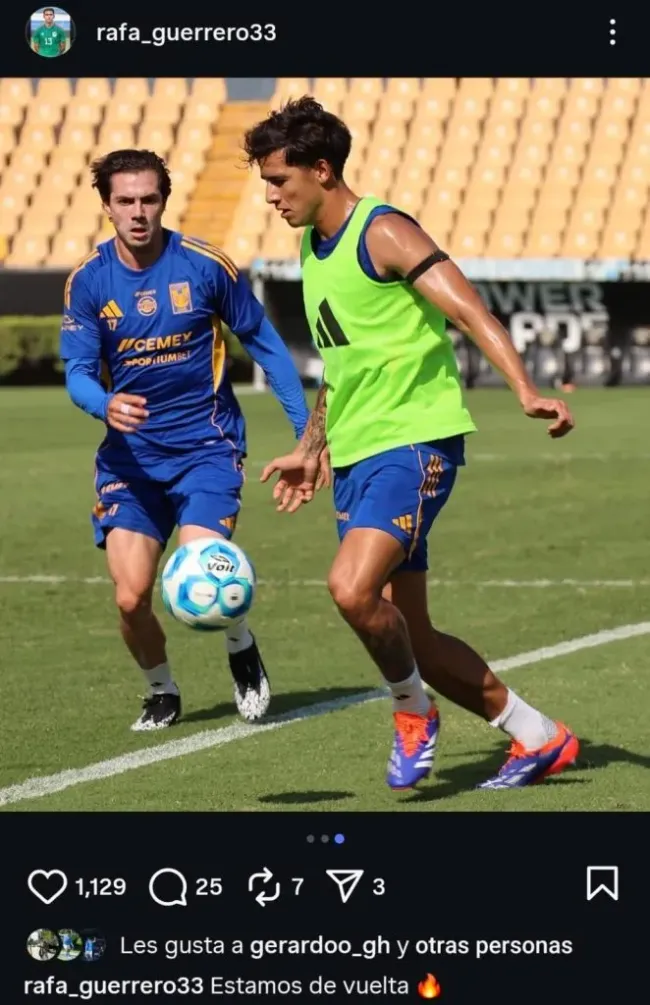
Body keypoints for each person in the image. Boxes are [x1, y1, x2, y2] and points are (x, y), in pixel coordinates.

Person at [244, 96, 580, 791]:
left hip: (416, 444)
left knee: (349, 586)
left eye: (280, 180)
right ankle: (537, 735)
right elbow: (342, 364)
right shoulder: (310, 245)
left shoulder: (384, 230)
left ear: (322, 168)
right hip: (359, 452)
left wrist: (523, 388)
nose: (271, 196)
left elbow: (468, 308)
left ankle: (411, 713)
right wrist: (314, 445)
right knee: (411, 636)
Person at [59, 148, 317, 731]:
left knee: (205, 565)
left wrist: (306, 433)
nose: (138, 211)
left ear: (164, 201)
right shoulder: (88, 282)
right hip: (131, 461)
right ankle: (162, 690)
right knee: (130, 599)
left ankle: (239, 640)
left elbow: (267, 344)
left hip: (207, 449)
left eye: (149, 198)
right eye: (125, 200)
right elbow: (76, 371)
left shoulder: (205, 266)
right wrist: (105, 403)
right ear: (106, 206)